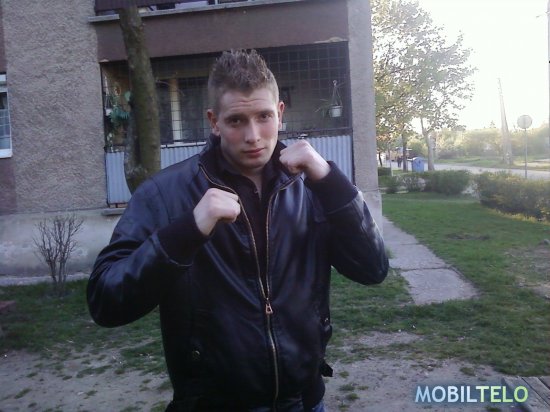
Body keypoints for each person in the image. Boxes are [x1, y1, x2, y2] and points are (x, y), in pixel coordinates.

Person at [87, 49, 388, 412]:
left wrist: (331, 182)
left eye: (264, 117)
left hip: (304, 402)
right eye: (236, 121)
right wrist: (187, 231)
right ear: (214, 122)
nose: (253, 136)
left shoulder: (313, 186)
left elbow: (373, 269)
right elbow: (106, 301)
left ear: (280, 113)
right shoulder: (164, 194)